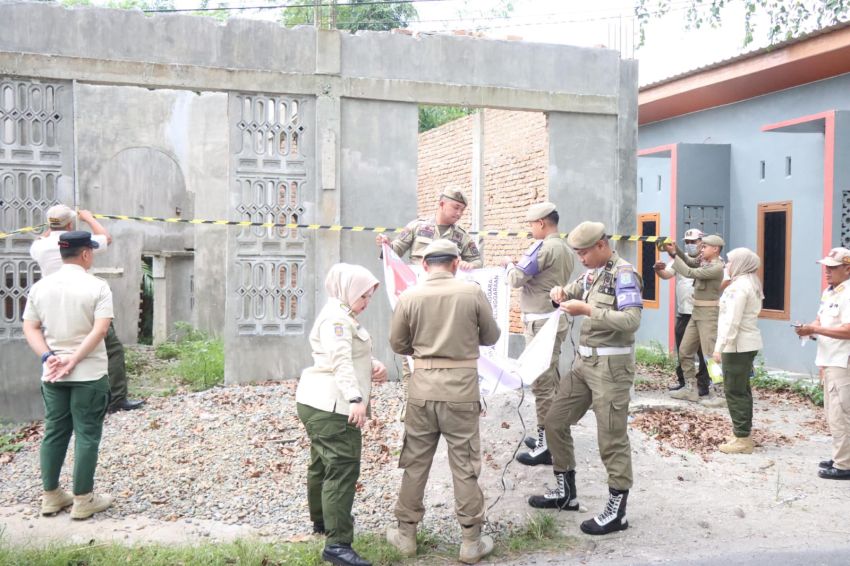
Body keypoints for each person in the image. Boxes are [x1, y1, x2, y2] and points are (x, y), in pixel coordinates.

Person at [386, 240, 501, 564]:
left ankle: (406, 535)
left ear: (424, 265)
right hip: (462, 391)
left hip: (423, 389)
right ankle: (470, 541)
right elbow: (491, 336)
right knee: (464, 466)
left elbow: (397, 343)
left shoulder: (409, 296)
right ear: (455, 263)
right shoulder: (472, 292)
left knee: (415, 463)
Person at [528, 221, 642, 536]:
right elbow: (571, 292)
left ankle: (616, 512)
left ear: (601, 246)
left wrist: (589, 311)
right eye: (577, 252)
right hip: (584, 363)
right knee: (554, 420)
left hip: (611, 367)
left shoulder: (624, 275)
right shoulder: (591, 273)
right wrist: (559, 294)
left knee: (611, 438)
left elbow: (632, 320)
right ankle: (567, 492)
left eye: (584, 252)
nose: (580, 258)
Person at [295, 263, 388, 566]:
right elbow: (339, 360)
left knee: (321, 465)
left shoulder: (340, 314)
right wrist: (355, 398)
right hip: (332, 404)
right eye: (364, 296)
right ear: (349, 290)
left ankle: (322, 522)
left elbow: (346, 352)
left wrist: (371, 362)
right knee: (342, 468)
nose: (365, 303)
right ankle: (337, 546)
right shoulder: (337, 318)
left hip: (316, 401)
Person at [22, 231, 115, 520]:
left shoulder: (41, 287)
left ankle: (50, 497)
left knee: (54, 432)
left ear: (62, 254)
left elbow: (31, 327)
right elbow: (100, 330)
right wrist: (74, 359)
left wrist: (49, 357)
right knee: (87, 434)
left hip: (53, 375)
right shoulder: (97, 286)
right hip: (89, 374)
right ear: (86, 254)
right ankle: (83, 500)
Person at [375, 188, 482, 421]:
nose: (459, 213)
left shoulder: (462, 236)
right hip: (418, 301)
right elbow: (393, 253)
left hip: (447, 305)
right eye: (456, 208)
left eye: (463, 210)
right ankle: (409, 402)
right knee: (410, 353)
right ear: (442, 204)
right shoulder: (417, 227)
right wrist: (384, 245)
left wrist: (468, 265)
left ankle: (442, 402)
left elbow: (478, 260)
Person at [30, 204, 144, 413]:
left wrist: (51, 228)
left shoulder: (38, 246)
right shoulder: (79, 245)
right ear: (71, 224)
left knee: (58, 347)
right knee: (111, 348)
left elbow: (47, 235)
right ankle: (116, 398)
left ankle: (63, 396)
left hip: (52, 304)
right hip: (84, 300)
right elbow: (106, 238)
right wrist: (89, 218)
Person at [500, 202, 575, 466]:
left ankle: (546, 446)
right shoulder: (564, 247)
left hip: (542, 324)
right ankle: (550, 438)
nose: (530, 230)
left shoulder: (543, 247)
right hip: (552, 320)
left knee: (542, 385)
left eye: (532, 225)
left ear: (542, 223)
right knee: (550, 382)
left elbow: (516, 279)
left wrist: (508, 265)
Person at [795, 247, 850, 480]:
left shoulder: (848, 294)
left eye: (833, 267)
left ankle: (844, 464)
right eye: (826, 267)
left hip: (842, 360)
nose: (827, 271)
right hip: (829, 359)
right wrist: (809, 328)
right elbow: (821, 318)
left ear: (847, 268)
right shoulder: (830, 292)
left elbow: (848, 330)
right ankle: (842, 456)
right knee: (832, 412)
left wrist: (815, 329)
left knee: (841, 413)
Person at [712, 248, 764, 455]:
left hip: (736, 346)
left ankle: (742, 438)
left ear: (741, 263)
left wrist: (720, 348)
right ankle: (741, 433)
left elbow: (731, 322)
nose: (726, 265)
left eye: (730, 262)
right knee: (742, 389)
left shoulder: (739, 287)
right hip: (745, 344)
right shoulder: (749, 282)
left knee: (734, 391)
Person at [663, 234, 725, 402]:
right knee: (684, 351)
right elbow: (690, 262)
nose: (701, 249)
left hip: (708, 314)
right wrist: (675, 253)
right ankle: (691, 388)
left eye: (705, 246)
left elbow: (690, 272)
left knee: (709, 355)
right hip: (696, 312)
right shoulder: (704, 261)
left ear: (715, 249)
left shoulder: (716, 267)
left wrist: (674, 260)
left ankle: (717, 393)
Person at [654, 228, 711, 396]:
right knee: (683, 350)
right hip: (684, 312)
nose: (690, 245)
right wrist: (658, 269)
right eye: (687, 242)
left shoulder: (710, 260)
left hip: (702, 313)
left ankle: (704, 385)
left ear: (702, 242)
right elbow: (666, 274)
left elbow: (717, 280)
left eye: (693, 241)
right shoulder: (679, 260)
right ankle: (685, 383)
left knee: (704, 352)